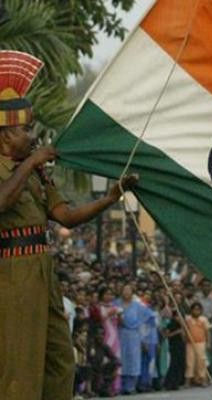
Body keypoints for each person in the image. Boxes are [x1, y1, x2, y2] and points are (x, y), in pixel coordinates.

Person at [0, 50, 137, 400]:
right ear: (5, 136)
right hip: (12, 272)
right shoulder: (20, 169)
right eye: (25, 130)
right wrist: (30, 163)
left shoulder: (34, 172)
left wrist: (110, 198)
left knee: (61, 359)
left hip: (43, 270)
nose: (32, 136)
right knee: (20, 362)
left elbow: (64, 216)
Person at [117, 284, 154, 394]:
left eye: (129, 290)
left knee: (133, 359)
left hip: (134, 335)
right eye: (124, 289)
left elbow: (149, 317)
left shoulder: (137, 306)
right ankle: (119, 385)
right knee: (121, 358)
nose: (126, 292)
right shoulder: (116, 304)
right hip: (120, 334)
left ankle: (130, 386)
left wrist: (145, 337)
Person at [185, 302, 210, 386]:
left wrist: (208, 343)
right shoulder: (188, 319)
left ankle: (203, 379)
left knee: (201, 361)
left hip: (201, 343)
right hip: (190, 343)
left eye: (198, 310)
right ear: (191, 310)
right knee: (190, 362)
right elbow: (185, 329)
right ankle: (188, 381)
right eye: (195, 309)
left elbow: (207, 332)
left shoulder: (203, 319)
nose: (196, 311)